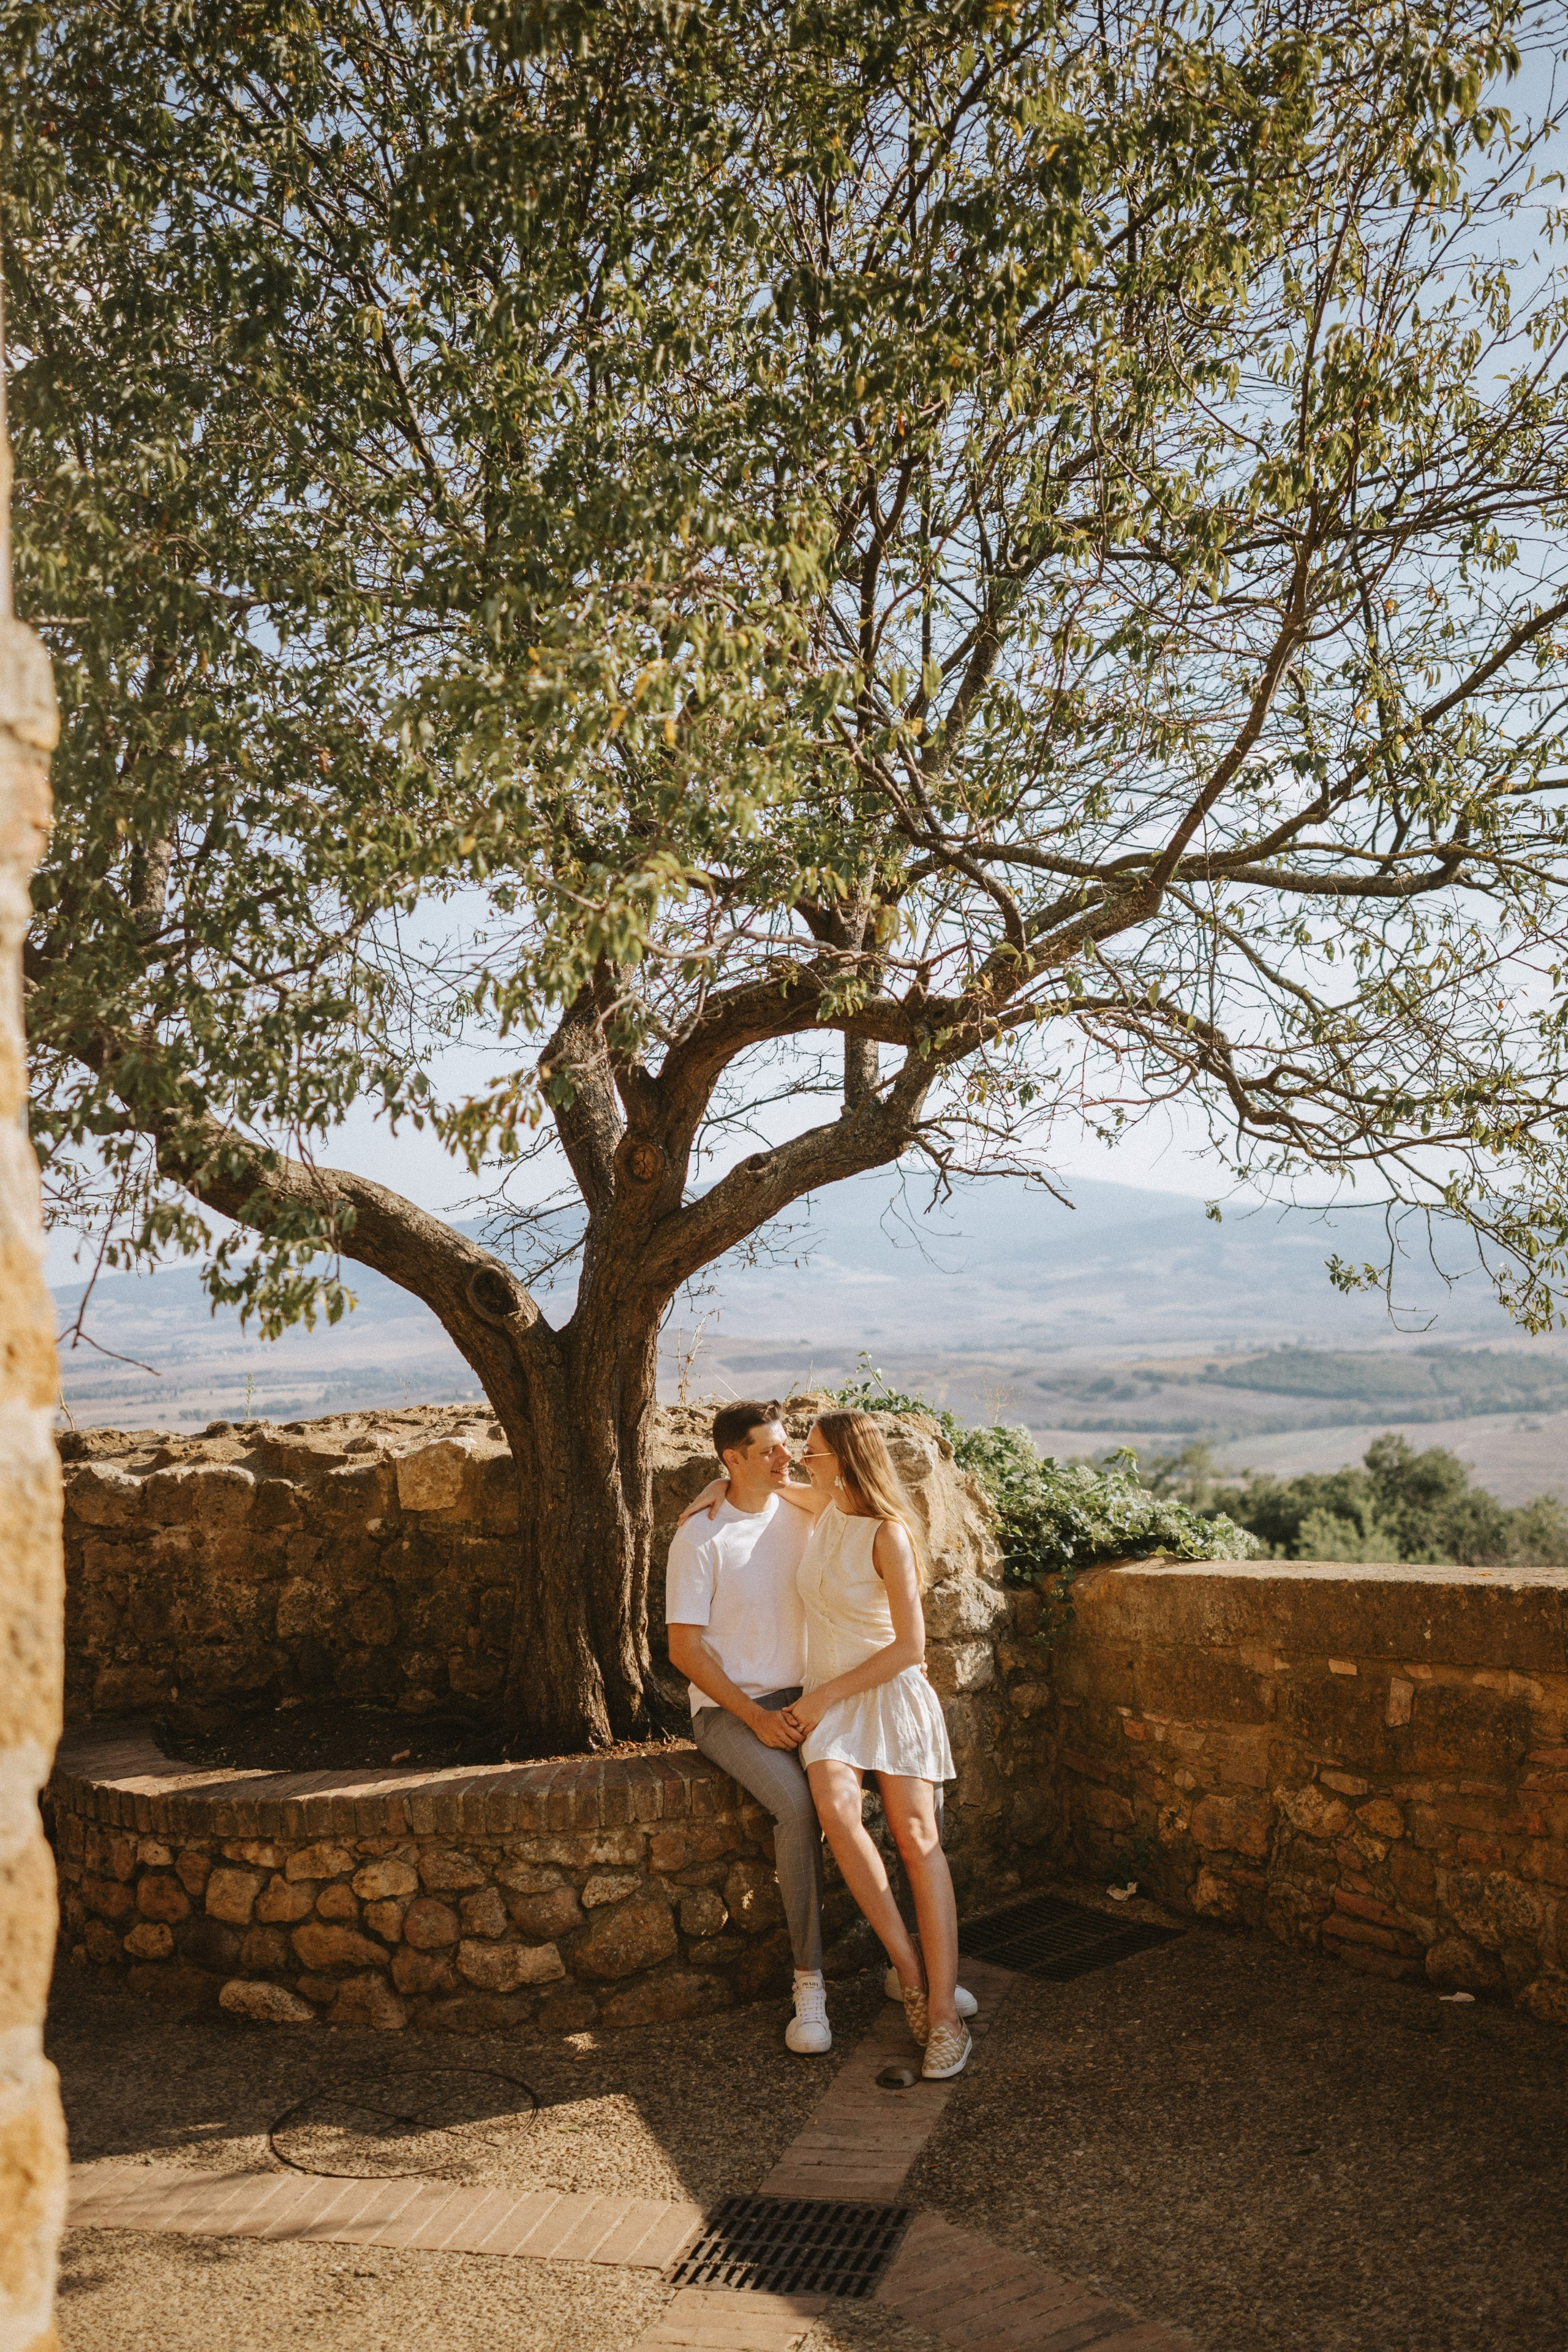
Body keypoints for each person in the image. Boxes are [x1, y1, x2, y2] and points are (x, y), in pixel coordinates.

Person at [683, 1409, 974, 2079]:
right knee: (837, 1815)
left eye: (810, 1452)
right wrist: (715, 1486)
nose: (799, 1461)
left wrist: (817, 1701)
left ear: (844, 1459)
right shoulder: (822, 1506)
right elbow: (759, 1485)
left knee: (916, 1836)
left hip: (885, 1692)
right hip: (833, 1704)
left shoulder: (887, 1532)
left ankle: (944, 2018)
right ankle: (910, 1974)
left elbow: (910, 1648)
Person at [664, 1401, 832, 2055]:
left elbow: (864, 1504)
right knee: (798, 1808)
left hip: (811, 1700)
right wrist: (755, 1717)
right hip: (730, 1712)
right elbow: (684, 1650)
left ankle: (909, 1961)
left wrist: (739, 1481)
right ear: (732, 1458)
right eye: (768, 1450)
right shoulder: (699, 1538)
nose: (786, 1458)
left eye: (787, 1445)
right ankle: (809, 1984)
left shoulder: (803, 1512)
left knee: (898, 1787)